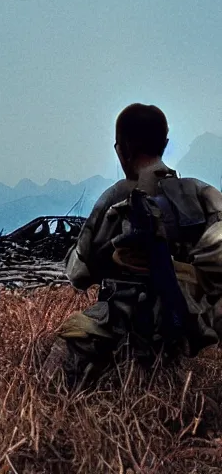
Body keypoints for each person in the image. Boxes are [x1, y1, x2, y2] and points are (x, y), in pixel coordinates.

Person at [44, 103, 222, 387]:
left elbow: (77, 274)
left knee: (55, 354)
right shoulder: (203, 193)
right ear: (164, 143)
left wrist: (109, 258)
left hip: (122, 323)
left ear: (122, 148)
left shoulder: (117, 196)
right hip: (188, 326)